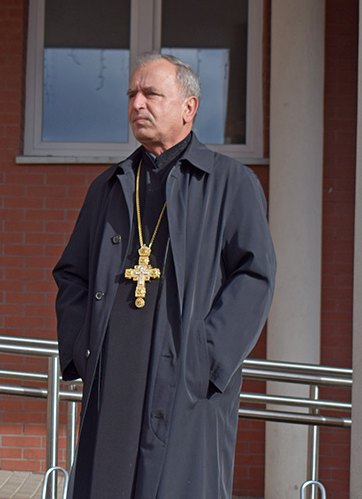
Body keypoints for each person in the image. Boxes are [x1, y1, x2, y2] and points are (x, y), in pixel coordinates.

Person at [53, 53, 276, 498]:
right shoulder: (109, 187)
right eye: (132, 94)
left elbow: (254, 275)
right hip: (115, 376)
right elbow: (71, 275)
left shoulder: (231, 183)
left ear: (188, 108)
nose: (138, 104)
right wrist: (84, 348)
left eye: (152, 94)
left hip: (186, 386)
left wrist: (205, 359)